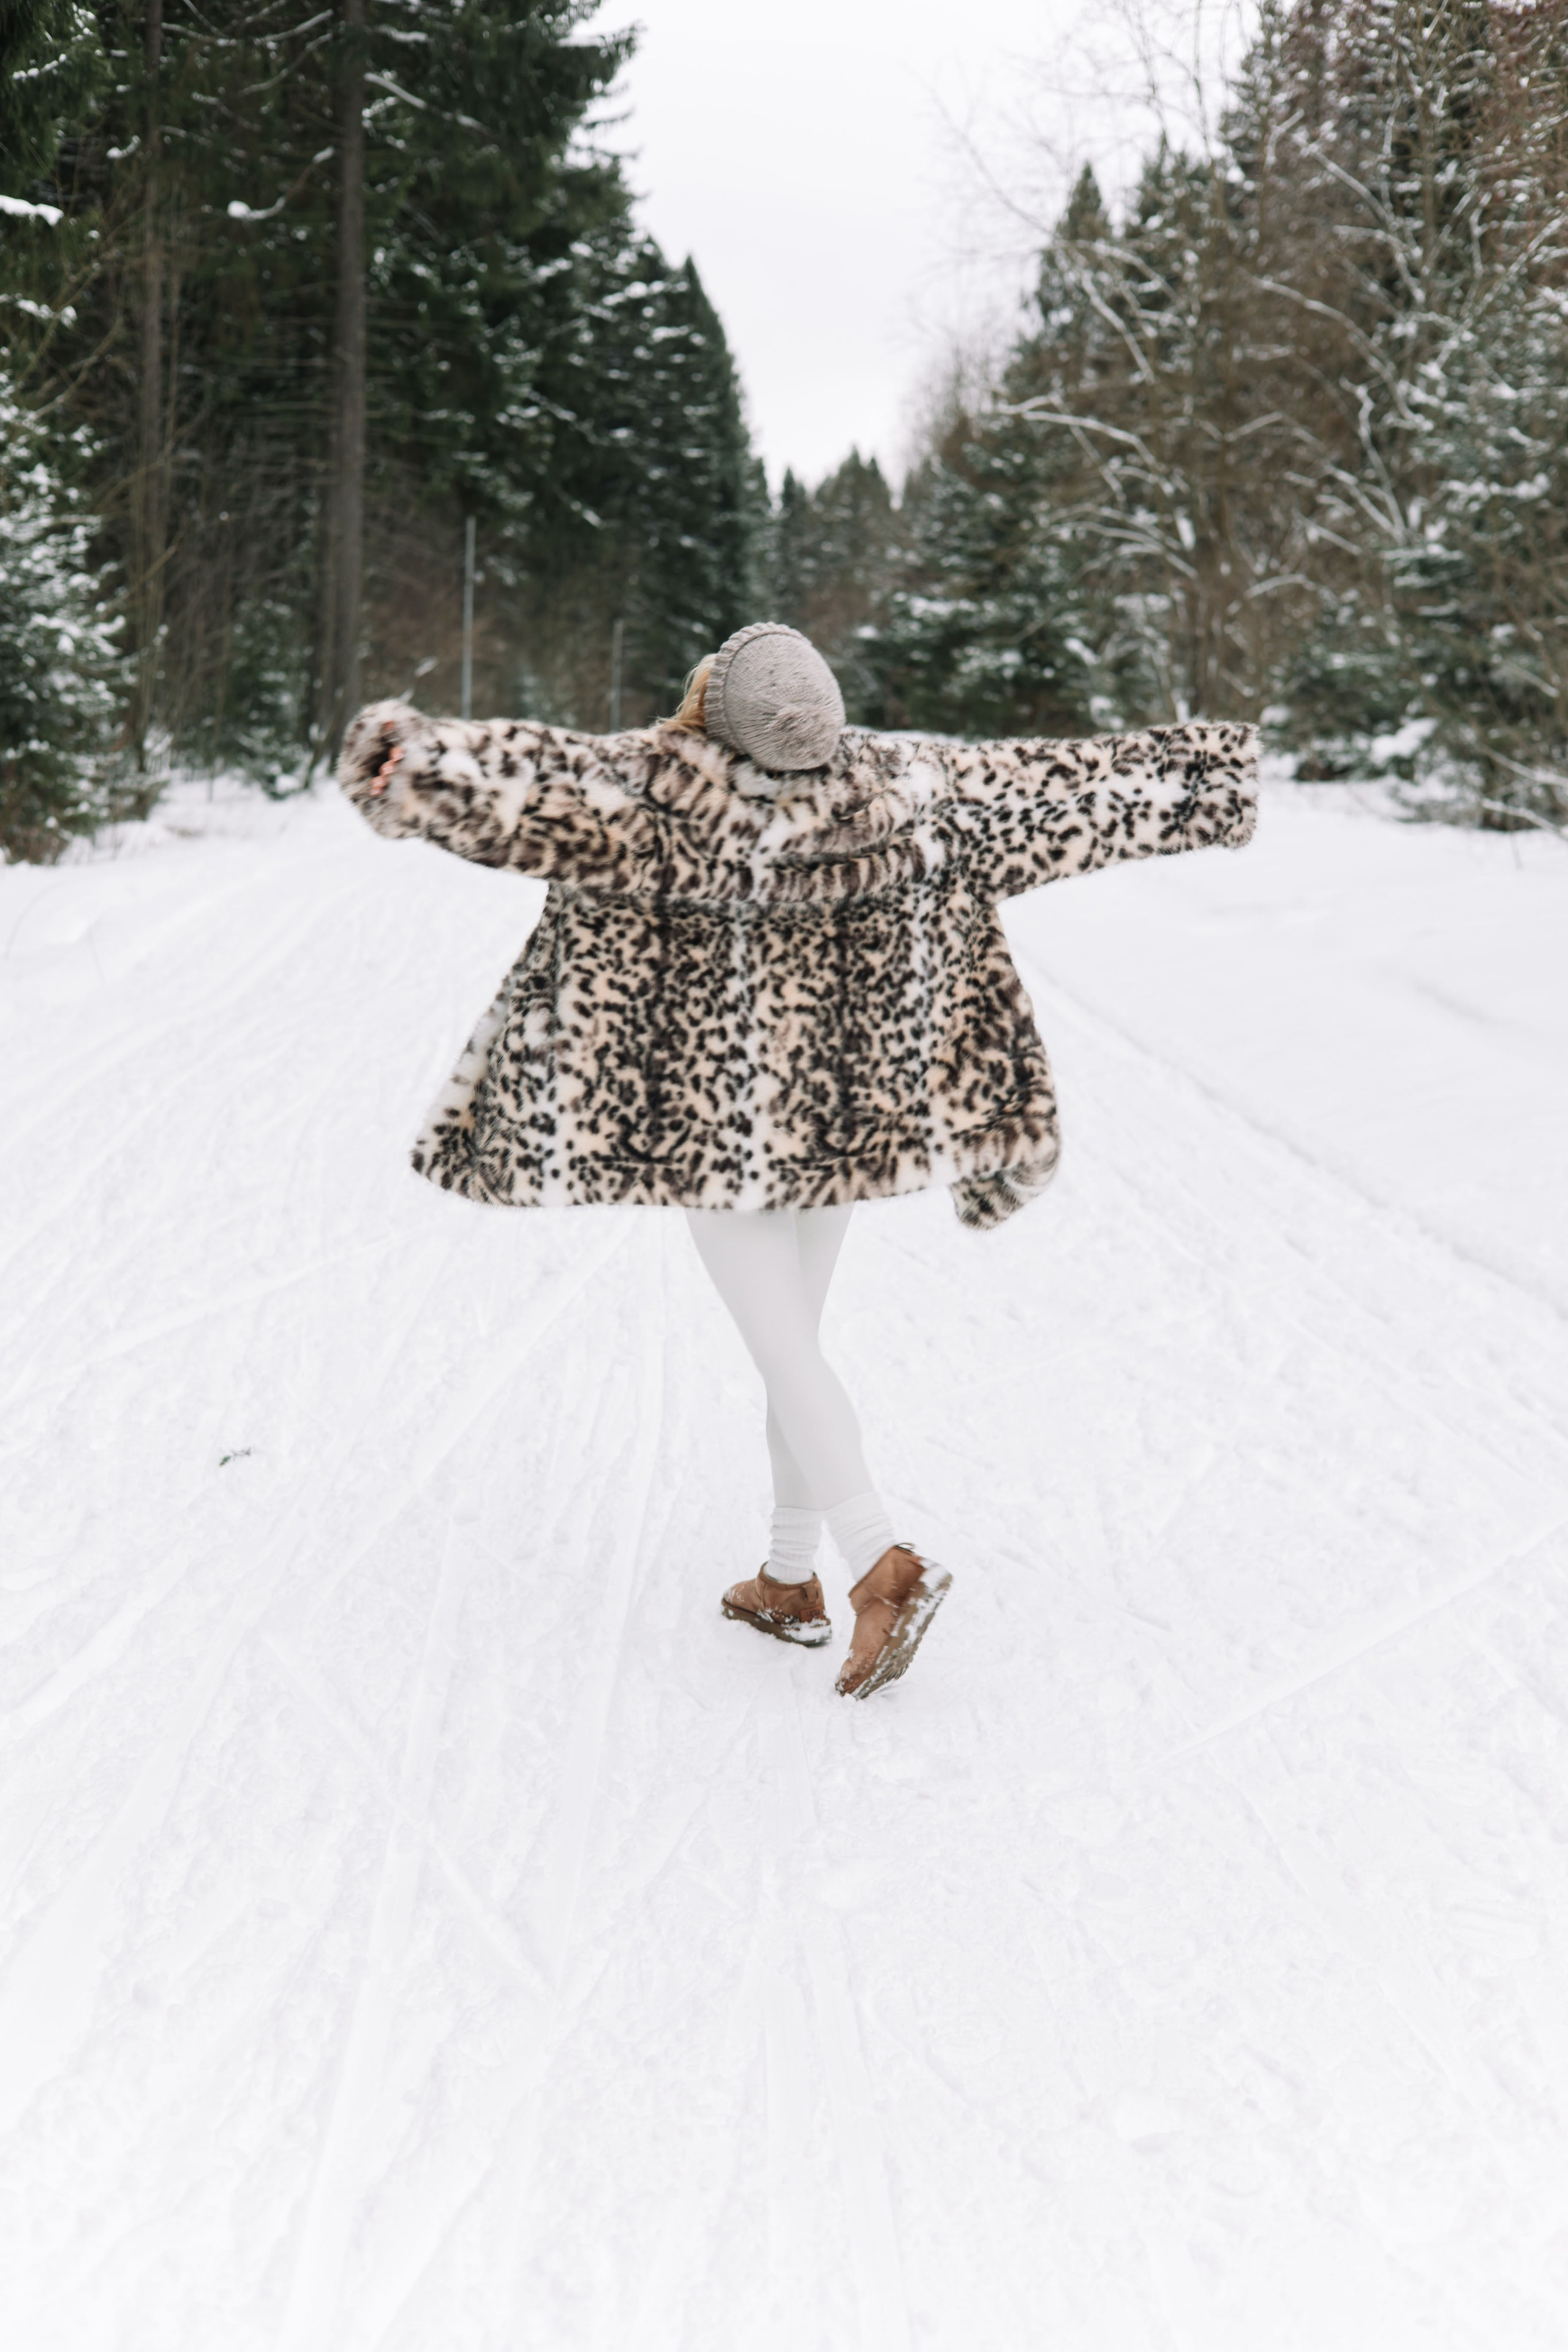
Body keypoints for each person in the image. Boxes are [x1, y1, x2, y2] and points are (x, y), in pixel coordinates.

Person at [339, 622, 1257, 1698]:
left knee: (785, 1353)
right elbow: (1071, 789)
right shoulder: (913, 788)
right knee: (796, 1349)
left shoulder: (646, 792)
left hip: (721, 1138)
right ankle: (785, 1578)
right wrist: (1213, 777)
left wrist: (399, 757)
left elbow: (516, 781)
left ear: (712, 707)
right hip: (844, 1131)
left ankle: (881, 1565)